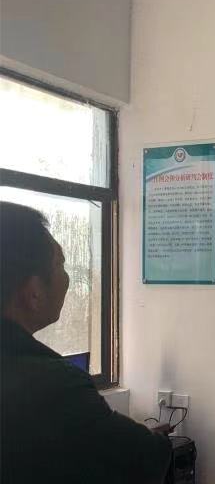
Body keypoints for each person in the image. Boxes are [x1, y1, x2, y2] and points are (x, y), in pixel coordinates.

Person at [0, 202, 172, 484]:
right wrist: (155, 439)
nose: (68, 279)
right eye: (60, 265)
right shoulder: (54, 384)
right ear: (33, 293)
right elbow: (144, 459)